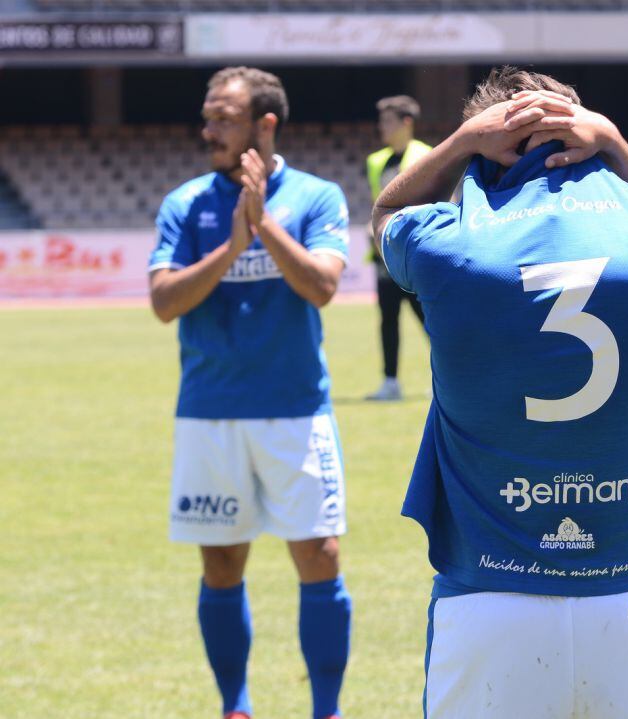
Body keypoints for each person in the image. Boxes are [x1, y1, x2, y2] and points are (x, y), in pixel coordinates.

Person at [372, 67, 628, 718]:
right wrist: (614, 141)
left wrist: (460, 143)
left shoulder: (450, 248)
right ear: (582, 136)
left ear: (489, 144)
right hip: (623, 594)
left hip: (491, 593)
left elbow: (384, 216)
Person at [148, 66, 353, 719]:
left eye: (224, 119)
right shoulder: (186, 204)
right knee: (221, 562)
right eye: (207, 117)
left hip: (297, 409)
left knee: (320, 554)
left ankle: (326, 709)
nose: (208, 130)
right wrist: (232, 244)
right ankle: (235, 707)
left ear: (265, 124)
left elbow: (322, 286)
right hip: (210, 414)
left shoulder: (317, 197)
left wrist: (263, 227)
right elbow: (163, 301)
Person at [365, 95, 432, 401]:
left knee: (431, 320)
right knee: (387, 319)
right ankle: (390, 382)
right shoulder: (376, 161)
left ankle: (453, 375)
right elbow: (377, 203)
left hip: (417, 256)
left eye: (388, 121)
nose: (382, 127)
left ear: (407, 123)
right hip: (385, 256)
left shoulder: (427, 155)